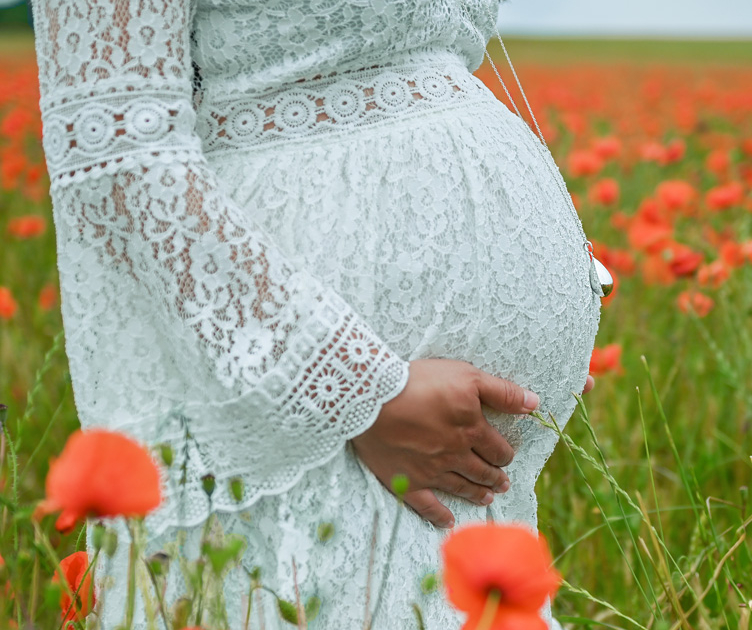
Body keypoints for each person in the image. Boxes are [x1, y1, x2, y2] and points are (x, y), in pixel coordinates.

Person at [30, 0, 601, 627]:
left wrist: (555, 273)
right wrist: (356, 391)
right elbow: (115, 147)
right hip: (311, 414)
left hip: (462, 466)